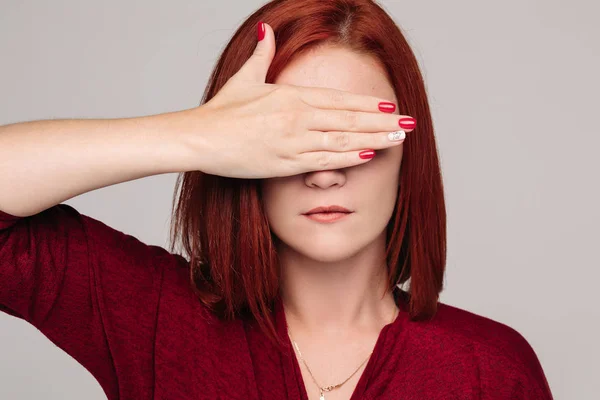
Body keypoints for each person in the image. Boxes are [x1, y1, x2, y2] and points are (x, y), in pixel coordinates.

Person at [0, 1, 554, 399]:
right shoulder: (152, 318)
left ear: (409, 152)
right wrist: (197, 136)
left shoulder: (492, 370)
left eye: (355, 135)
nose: (325, 172)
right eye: (292, 138)